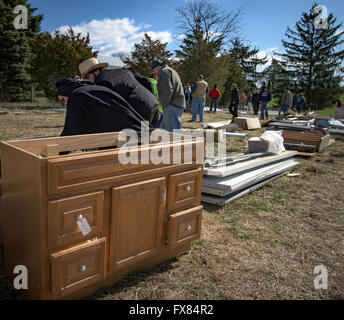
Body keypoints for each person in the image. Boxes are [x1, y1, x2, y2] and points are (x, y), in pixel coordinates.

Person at [79, 58, 159, 127]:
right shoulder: (123, 70)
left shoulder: (101, 82)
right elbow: (147, 80)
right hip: (153, 105)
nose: (87, 81)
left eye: (86, 77)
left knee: (140, 141)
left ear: (95, 72)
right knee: (147, 140)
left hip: (141, 113)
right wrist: (151, 98)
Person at [56, 78, 150, 136]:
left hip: (127, 139)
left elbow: (71, 132)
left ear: (67, 92)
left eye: (63, 100)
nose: (64, 104)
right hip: (143, 130)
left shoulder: (76, 96)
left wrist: (56, 152)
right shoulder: (94, 89)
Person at [150, 59, 186, 132]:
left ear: (158, 67)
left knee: (174, 133)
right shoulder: (171, 71)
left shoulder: (164, 72)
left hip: (171, 106)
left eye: (153, 69)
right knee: (163, 131)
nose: (153, 72)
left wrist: (165, 105)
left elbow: (167, 91)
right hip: (175, 104)